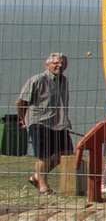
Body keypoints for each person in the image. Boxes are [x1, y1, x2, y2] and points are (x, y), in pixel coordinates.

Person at [16, 53, 72, 195]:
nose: (59, 66)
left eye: (62, 63)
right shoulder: (37, 80)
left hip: (59, 123)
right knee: (44, 156)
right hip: (40, 122)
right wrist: (23, 119)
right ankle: (43, 186)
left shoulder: (64, 80)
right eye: (56, 63)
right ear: (47, 65)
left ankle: (36, 176)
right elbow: (21, 102)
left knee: (66, 154)